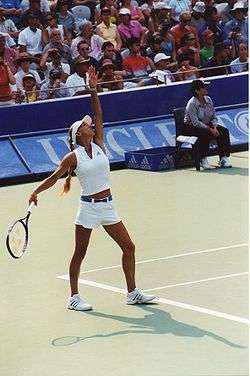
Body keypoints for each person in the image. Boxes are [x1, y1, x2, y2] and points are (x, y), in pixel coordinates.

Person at [28, 67, 156, 311]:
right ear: (79, 133)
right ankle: (73, 297)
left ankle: (132, 293)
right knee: (80, 253)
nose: (92, 126)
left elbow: (98, 113)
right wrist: (36, 192)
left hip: (108, 206)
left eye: (92, 125)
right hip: (88, 209)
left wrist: (93, 90)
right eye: (87, 126)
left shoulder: (98, 144)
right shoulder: (72, 157)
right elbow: (55, 178)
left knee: (128, 247)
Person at [183, 79, 232, 169]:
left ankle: (223, 158)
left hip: (207, 124)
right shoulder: (192, 104)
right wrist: (210, 129)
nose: (206, 88)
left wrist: (215, 127)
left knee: (224, 131)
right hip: (191, 127)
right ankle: (202, 158)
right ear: (197, 91)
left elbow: (213, 116)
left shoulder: (208, 99)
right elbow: (195, 122)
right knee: (205, 133)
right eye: (203, 87)